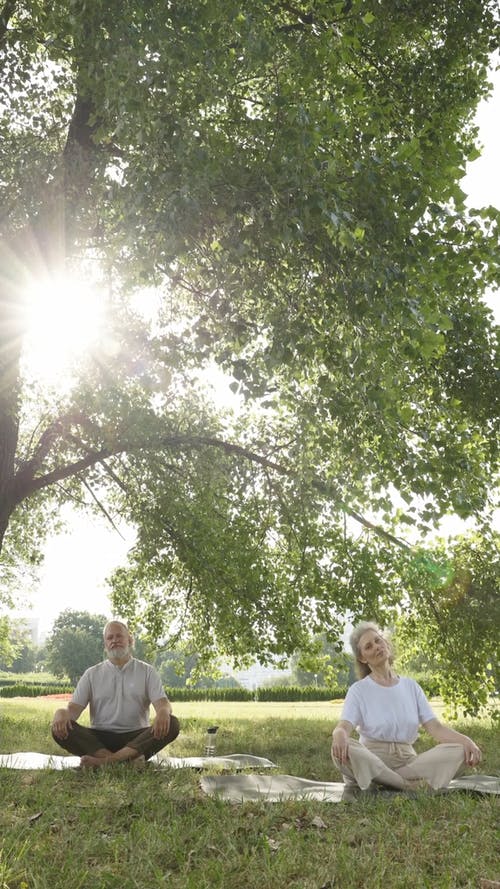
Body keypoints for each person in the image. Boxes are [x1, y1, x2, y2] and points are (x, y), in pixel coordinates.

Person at [331, 621, 482, 791]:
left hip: (409, 763)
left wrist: (467, 741)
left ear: (385, 643)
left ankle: (383, 780)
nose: (376, 647)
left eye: (378, 640)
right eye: (368, 646)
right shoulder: (358, 690)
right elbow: (343, 727)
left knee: (460, 750)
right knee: (346, 749)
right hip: (373, 758)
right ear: (362, 658)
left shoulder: (411, 686)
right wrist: (339, 734)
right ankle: (407, 785)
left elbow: (435, 728)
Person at [51, 619, 180, 768]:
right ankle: (125, 762)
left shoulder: (147, 671)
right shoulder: (92, 674)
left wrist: (163, 712)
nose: (114, 641)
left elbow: (162, 703)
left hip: (136, 738)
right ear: (105, 644)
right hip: (99, 740)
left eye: (119, 636)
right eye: (110, 637)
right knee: (59, 728)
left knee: (172, 724)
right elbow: (73, 710)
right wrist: (61, 713)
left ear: (130, 640)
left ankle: (106, 763)